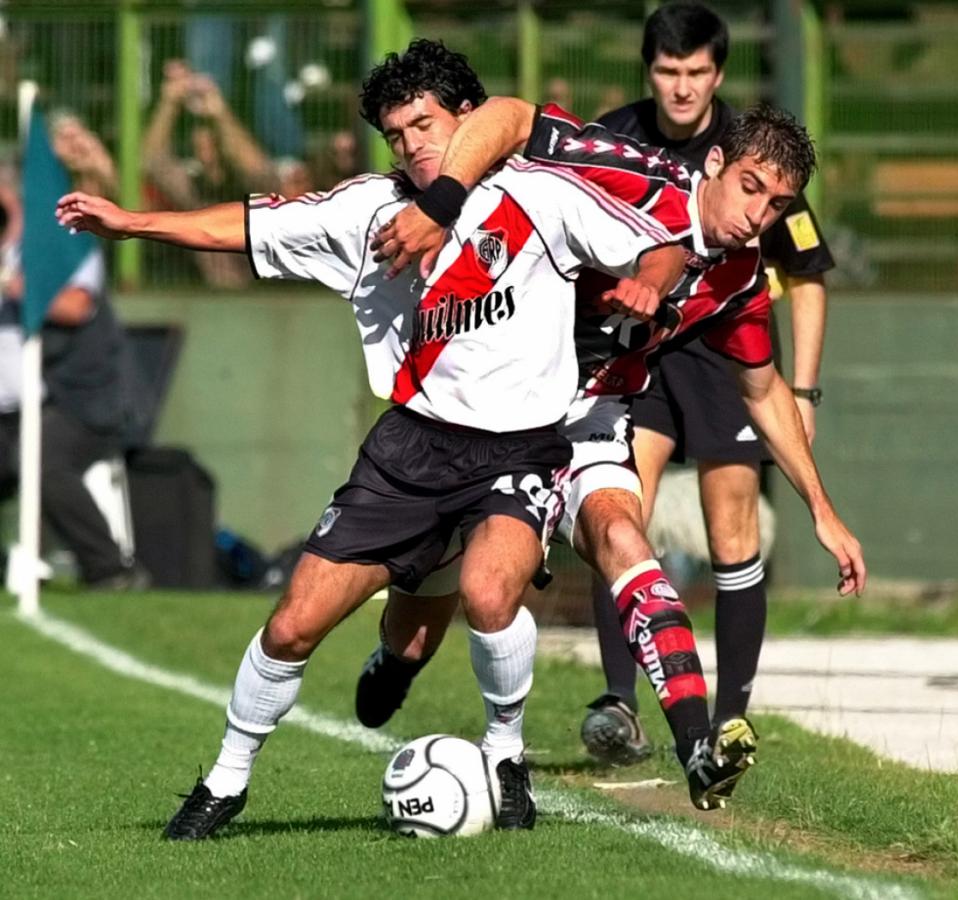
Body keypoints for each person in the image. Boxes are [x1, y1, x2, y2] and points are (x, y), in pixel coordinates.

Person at [57, 39, 688, 838]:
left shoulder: (543, 195)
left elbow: (659, 241)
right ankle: (225, 781)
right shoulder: (369, 211)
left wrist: (649, 282)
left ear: (469, 119)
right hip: (413, 452)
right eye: (398, 134)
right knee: (295, 625)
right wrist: (134, 222)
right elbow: (247, 225)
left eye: (426, 124)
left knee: (492, 594)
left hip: (521, 451)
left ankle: (505, 757)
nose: (415, 145)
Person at [360, 100, 864, 805]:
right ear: (715, 163)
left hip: (592, 418)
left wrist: (822, 510)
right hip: (489, 410)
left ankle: (696, 749)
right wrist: (444, 204)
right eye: (751, 188)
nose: (758, 216)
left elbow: (763, 389)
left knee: (623, 538)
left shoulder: (740, 277)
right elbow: (508, 117)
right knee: (418, 624)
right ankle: (396, 656)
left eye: (777, 205)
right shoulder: (631, 173)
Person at [578, 1, 836, 762]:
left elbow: (809, 276)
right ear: (649, 72)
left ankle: (731, 717)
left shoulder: (755, 157)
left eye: (695, 72)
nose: (681, 87)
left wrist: (806, 393)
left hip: (729, 350)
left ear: (717, 75)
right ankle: (619, 705)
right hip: (645, 347)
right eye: (667, 71)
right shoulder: (616, 138)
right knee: (619, 512)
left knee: (734, 530)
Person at [0, 162, 147, 590]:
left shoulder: (66, 248)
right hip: (12, 409)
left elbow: (75, 306)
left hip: (83, 404)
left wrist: (14, 282)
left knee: (41, 461)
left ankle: (110, 569)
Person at [142, 59, 279, 288]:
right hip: (205, 296)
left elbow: (261, 173)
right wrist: (170, 102)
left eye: (213, 146)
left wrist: (220, 113)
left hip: (262, 297)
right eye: (199, 148)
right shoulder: (195, 192)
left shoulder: (253, 195)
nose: (206, 156)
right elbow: (153, 162)